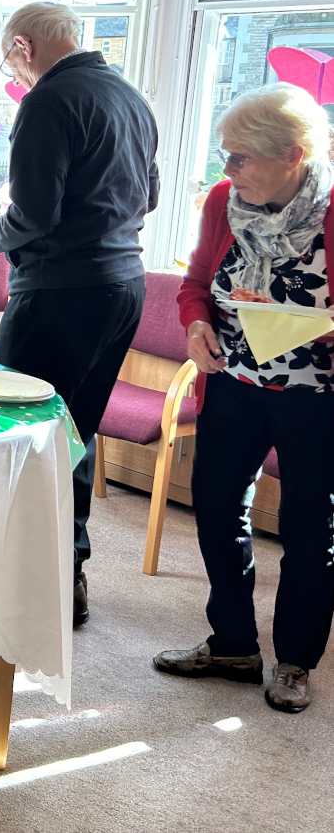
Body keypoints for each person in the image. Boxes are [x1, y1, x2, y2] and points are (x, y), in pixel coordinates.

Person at [0, 1, 159, 628]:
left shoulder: (48, 102)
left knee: (22, 429)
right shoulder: (130, 98)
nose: (14, 77)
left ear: (24, 46)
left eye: (10, 63)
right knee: (76, 430)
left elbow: (33, 217)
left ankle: (20, 577)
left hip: (59, 290)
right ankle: (65, 572)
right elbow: (149, 195)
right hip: (123, 286)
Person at [156, 84, 334, 713]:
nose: (227, 170)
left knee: (311, 525)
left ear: (295, 153)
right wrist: (196, 323)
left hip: (317, 393)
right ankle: (233, 642)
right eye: (225, 155)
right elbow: (197, 282)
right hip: (233, 379)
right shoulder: (223, 201)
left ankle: (294, 662)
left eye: (242, 157)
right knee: (214, 504)